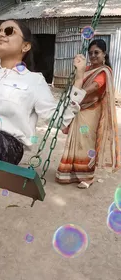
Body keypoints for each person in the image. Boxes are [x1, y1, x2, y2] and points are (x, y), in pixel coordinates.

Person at [0, 19, 87, 165]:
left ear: (25, 46)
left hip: (7, 145)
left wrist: (79, 79)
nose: (1, 34)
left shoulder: (34, 80)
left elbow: (57, 119)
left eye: (9, 31)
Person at [56, 39, 120, 188]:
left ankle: (88, 176)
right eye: (90, 53)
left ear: (104, 54)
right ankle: (71, 172)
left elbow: (95, 86)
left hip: (91, 111)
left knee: (86, 141)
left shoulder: (104, 71)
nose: (93, 55)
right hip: (79, 108)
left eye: (96, 52)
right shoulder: (87, 68)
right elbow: (77, 81)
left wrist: (79, 93)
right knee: (75, 139)